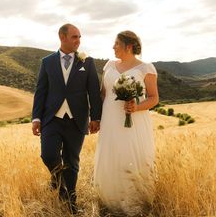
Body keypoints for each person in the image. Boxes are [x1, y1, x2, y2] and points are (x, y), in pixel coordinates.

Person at [32, 23, 102, 214]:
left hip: (77, 119)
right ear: (62, 37)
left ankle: (70, 202)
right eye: (74, 37)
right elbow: (41, 91)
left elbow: (93, 92)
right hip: (51, 119)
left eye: (80, 37)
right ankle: (56, 178)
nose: (78, 41)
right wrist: (36, 118)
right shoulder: (47, 62)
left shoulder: (87, 62)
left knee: (72, 161)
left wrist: (96, 117)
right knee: (48, 155)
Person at [94, 30, 159, 216]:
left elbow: (154, 98)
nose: (113, 47)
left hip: (134, 121)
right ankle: (109, 200)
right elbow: (103, 94)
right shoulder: (109, 65)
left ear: (128, 46)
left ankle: (135, 201)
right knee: (111, 152)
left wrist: (136, 107)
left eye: (116, 44)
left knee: (130, 153)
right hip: (109, 119)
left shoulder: (145, 68)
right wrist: (96, 117)